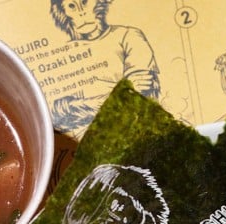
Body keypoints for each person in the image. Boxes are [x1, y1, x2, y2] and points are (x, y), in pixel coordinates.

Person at [49, 0, 161, 130]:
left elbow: (139, 91)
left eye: (85, 2)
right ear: (62, 13)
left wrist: (72, 106)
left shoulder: (128, 35)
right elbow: (54, 111)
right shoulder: (63, 53)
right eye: (72, 6)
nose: (81, 13)